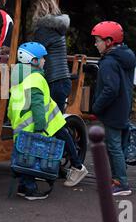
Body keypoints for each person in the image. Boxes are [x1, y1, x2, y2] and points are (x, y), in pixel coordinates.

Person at [7, 42, 88, 200]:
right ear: (34, 61)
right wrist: (40, 126)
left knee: (24, 156)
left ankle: (24, 186)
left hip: (22, 124)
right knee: (34, 154)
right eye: (42, 58)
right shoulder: (35, 78)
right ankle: (30, 189)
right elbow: (37, 104)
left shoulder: (18, 77)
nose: (45, 61)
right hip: (43, 123)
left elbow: (13, 103)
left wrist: (12, 120)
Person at [91, 21, 136, 196]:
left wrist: (96, 106)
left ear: (109, 41)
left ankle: (121, 183)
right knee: (118, 145)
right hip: (123, 107)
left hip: (113, 111)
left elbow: (110, 89)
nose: (95, 44)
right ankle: (117, 179)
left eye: (98, 40)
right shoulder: (125, 56)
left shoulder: (109, 62)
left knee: (114, 146)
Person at [30, 0, 71, 113]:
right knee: (55, 122)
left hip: (54, 81)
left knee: (53, 124)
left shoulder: (44, 29)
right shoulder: (56, 27)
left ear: (39, 7)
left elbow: (33, 53)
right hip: (62, 80)